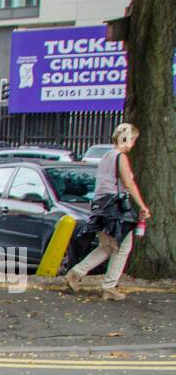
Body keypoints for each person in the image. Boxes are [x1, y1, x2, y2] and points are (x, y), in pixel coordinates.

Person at [65, 123, 150, 301]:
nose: (133, 143)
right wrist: (142, 205)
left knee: (107, 246)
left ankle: (76, 273)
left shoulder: (106, 156)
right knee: (123, 247)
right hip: (115, 208)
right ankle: (109, 286)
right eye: (133, 139)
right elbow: (128, 184)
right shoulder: (121, 157)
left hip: (101, 206)